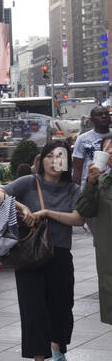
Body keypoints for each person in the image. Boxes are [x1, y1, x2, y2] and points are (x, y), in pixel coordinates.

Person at [0, 142, 83, 361]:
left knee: (62, 307)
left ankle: (58, 346)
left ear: (67, 162)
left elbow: (78, 218)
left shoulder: (73, 188)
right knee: (33, 311)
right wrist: (22, 207)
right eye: (49, 156)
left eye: (60, 156)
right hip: (29, 255)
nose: (54, 161)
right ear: (41, 160)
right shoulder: (29, 182)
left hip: (60, 254)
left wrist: (46, 213)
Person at [77, 139, 112, 327]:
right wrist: (90, 183)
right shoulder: (101, 183)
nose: (111, 151)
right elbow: (83, 210)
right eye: (108, 148)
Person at [72, 105, 112, 185]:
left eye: (106, 114)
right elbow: (77, 168)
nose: (104, 116)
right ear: (91, 119)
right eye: (99, 114)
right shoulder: (82, 139)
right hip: (90, 186)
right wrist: (77, 192)